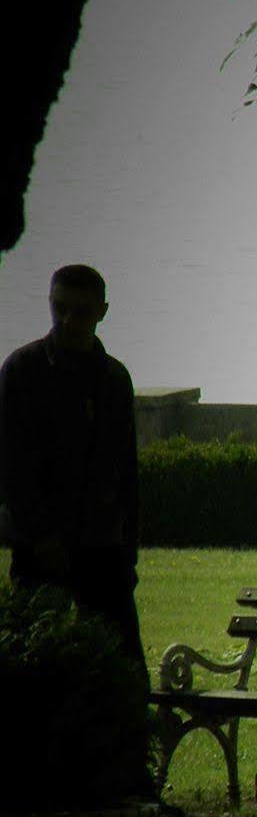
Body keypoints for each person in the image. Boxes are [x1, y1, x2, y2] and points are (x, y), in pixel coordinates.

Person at [0, 263, 144, 670]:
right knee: (34, 671)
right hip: (38, 551)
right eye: (59, 308)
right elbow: (11, 465)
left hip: (102, 550)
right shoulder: (21, 371)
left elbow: (126, 471)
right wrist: (40, 535)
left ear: (102, 311)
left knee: (124, 670)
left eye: (80, 311)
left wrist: (127, 551)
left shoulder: (115, 380)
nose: (67, 321)